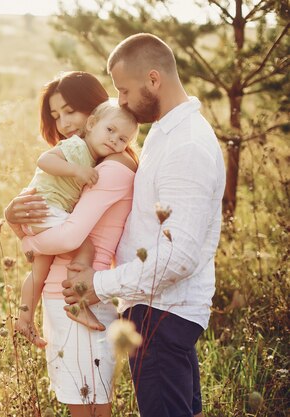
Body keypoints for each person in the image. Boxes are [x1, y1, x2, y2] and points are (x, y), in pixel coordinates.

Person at [61, 33, 225, 417]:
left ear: (154, 80)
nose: (119, 101)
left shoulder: (187, 145)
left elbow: (178, 257)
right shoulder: (165, 134)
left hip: (163, 315)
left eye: (124, 90)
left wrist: (97, 285)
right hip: (160, 310)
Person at [5, 71, 138, 417]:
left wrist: (27, 236)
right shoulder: (83, 157)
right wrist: (14, 218)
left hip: (76, 293)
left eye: (69, 112)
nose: (63, 124)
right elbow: (45, 197)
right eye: (55, 116)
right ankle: (23, 313)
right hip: (68, 295)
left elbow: (69, 235)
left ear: (94, 111)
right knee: (87, 406)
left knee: (91, 406)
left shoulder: (109, 165)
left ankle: (24, 313)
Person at [15, 101, 139, 346]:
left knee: (37, 274)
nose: (115, 140)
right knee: (86, 247)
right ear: (91, 124)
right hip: (45, 208)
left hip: (43, 215)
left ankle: (24, 318)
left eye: (123, 139)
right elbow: (44, 160)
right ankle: (78, 300)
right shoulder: (77, 147)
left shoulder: (100, 160)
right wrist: (76, 171)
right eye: (110, 130)